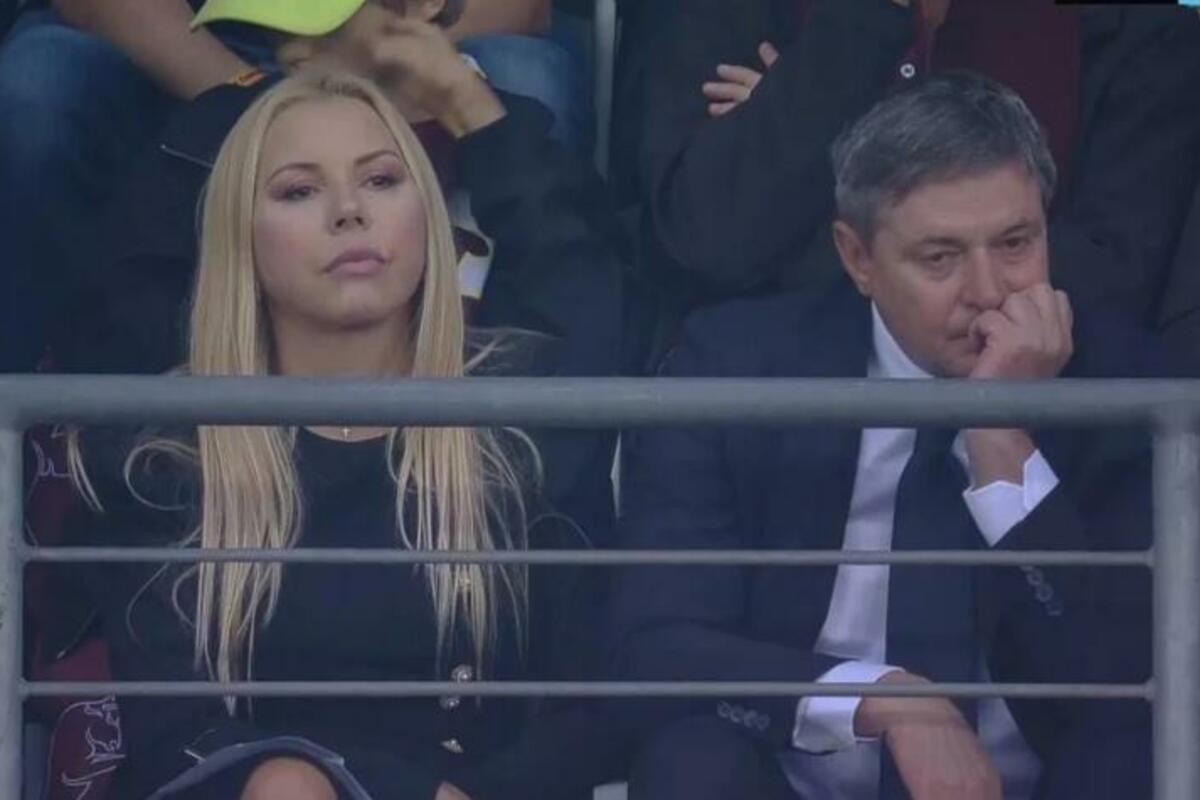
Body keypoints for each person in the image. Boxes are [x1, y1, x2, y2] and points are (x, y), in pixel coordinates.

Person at [67, 69, 626, 800]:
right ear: (240, 235)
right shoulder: (168, 455)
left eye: (382, 180)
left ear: (428, 214)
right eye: (299, 190)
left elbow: (590, 707)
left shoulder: (518, 424)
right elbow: (172, 736)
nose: (349, 211)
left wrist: (466, 101)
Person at [609, 72, 1158, 800]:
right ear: (857, 258)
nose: (989, 290)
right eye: (941, 258)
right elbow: (658, 644)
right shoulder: (737, 367)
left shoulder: (1123, 380)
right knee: (691, 763)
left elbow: (1135, 678)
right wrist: (886, 699)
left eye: (1015, 243)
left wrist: (1002, 437)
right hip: (797, 783)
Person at [610, 0, 1200, 355]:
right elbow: (706, 241)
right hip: (779, 429)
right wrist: (861, 27)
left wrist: (806, 124)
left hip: (1036, 433)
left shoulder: (1138, 33)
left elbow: (1104, 281)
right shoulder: (720, 12)